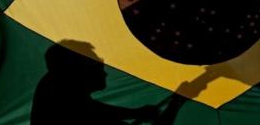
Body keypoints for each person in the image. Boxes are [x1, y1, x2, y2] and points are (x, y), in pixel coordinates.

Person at [31, 40, 195, 125]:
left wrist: (136, 113)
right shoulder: (64, 98)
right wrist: (176, 103)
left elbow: (90, 109)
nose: (104, 72)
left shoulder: (51, 89)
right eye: (98, 65)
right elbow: (90, 111)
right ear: (76, 71)